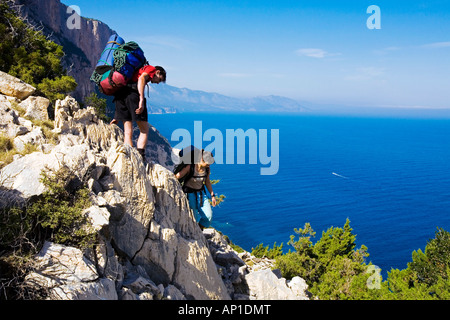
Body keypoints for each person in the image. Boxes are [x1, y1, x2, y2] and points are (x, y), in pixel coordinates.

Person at [110, 65, 166, 162]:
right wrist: (141, 99)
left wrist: (116, 116)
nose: (157, 83)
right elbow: (141, 78)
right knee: (144, 130)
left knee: (127, 131)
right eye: (159, 79)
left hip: (120, 95)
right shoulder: (151, 69)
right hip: (133, 96)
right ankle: (140, 158)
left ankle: (128, 156)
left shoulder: (137, 69)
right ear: (157, 72)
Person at [175, 150, 217, 230]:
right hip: (189, 194)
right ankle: (194, 231)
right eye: (207, 163)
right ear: (202, 159)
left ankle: (198, 230)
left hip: (201, 194)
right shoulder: (190, 167)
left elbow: (207, 182)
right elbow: (177, 176)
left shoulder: (207, 169)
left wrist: (212, 195)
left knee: (208, 216)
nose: (208, 165)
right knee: (193, 217)